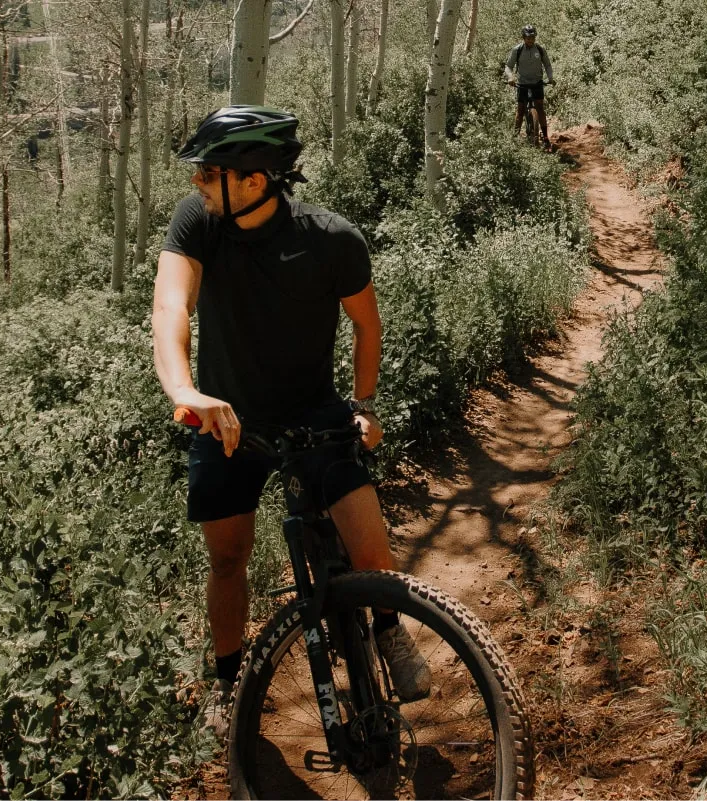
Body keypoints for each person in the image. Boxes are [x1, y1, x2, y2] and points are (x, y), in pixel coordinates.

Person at [151, 106, 432, 744]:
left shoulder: (332, 239)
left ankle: (388, 632)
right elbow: (171, 305)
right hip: (225, 419)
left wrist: (363, 407)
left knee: (369, 545)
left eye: (209, 172)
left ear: (254, 180)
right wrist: (186, 389)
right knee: (228, 560)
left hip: (313, 412)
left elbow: (367, 325)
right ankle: (227, 684)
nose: (196, 183)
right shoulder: (198, 221)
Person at [504, 24, 555, 149]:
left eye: (532, 37)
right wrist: (511, 77)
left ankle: (546, 138)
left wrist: (550, 77)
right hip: (522, 84)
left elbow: (547, 65)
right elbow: (508, 66)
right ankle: (515, 139)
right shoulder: (517, 50)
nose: (530, 40)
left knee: (540, 109)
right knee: (520, 110)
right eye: (528, 37)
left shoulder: (540, 49)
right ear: (523, 37)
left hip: (537, 83)